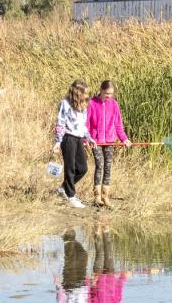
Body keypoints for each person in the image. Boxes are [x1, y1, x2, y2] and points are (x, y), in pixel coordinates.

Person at [86, 79, 130, 209]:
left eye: (111, 94)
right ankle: (97, 197)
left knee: (108, 166)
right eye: (107, 94)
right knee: (99, 165)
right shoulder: (92, 103)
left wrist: (124, 139)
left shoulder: (114, 104)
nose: (109, 97)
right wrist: (87, 139)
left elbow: (118, 125)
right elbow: (86, 124)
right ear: (101, 90)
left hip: (110, 140)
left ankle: (106, 196)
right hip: (96, 141)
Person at [51, 80, 92, 208]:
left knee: (82, 168)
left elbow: (83, 125)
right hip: (68, 138)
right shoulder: (65, 104)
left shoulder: (83, 106)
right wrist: (58, 141)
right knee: (70, 168)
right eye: (84, 93)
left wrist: (89, 138)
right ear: (77, 92)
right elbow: (61, 123)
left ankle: (64, 188)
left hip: (79, 138)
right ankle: (71, 196)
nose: (86, 95)